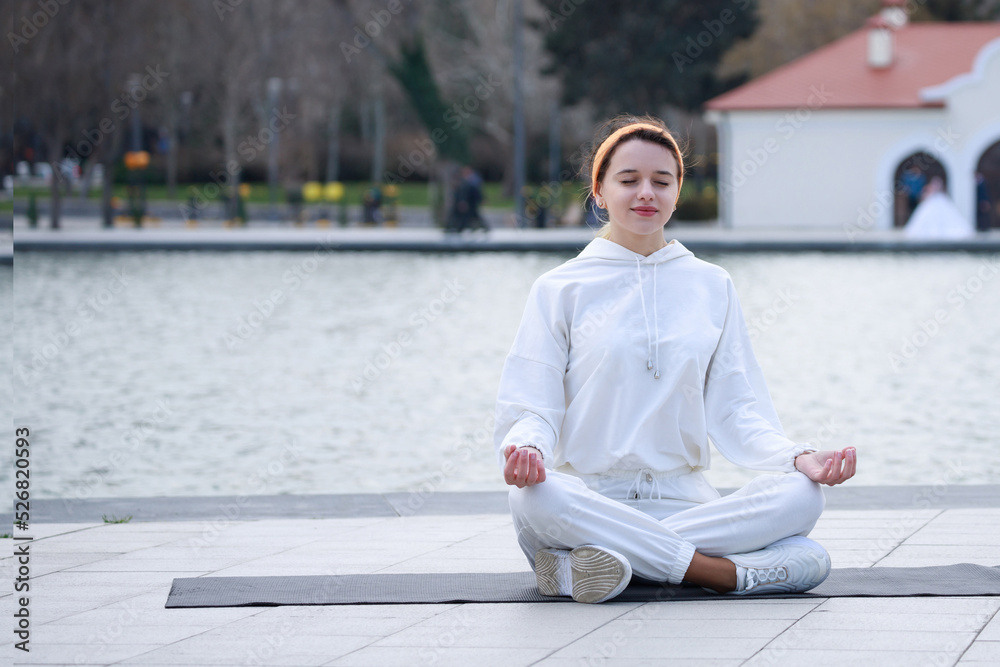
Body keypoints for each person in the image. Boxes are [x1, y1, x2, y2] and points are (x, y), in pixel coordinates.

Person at [493, 115, 857, 604]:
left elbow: (736, 410)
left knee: (801, 495)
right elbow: (532, 403)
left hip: (686, 502)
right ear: (598, 191)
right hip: (593, 501)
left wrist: (797, 457)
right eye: (629, 180)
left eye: (661, 181)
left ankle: (606, 565)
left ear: (678, 191)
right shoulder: (559, 288)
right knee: (533, 496)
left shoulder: (712, 285)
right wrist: (528, 449)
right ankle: (720, 574)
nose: (646, 192)